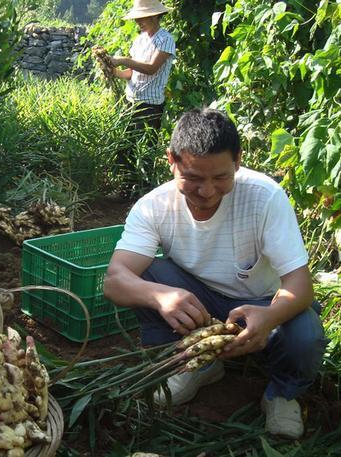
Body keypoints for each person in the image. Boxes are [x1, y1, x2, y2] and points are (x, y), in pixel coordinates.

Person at [103, 108, 328, 439]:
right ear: (172, 160)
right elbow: (115, 279)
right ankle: (196, 365)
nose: (207, 192)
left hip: (261, 303)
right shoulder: (154, 206)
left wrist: (268, 316)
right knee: (147, 274)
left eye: (221, 178)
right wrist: (160, 295)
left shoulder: (265, 197)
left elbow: (300, 285)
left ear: (238, 160)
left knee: (305, 334)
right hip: (201, 300)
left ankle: (282, 393)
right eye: (193, 178)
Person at [110, 0, 176, 192]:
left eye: (143, 17)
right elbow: (130, 74)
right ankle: (126, 190)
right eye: (137, 18)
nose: (139, 22)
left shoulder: (165, 39)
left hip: (150, 104)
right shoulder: (139, 40)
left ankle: (143, 190)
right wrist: (111, 69)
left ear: (155, 16)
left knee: (144, 150)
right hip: (131, 101)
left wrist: (122, 59)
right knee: (125, 148)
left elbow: (151, 68)